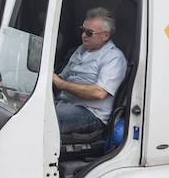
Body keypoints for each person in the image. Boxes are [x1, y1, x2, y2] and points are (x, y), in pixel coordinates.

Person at [52, 7, 127, 135]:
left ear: (105, 36)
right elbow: (62, 77)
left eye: (89, 33)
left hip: (91, 113)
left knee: (43, 119)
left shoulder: (114, 57)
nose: (83, 36)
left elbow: (99, 93)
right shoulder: (81, 50)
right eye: (83, 30)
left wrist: (61, 84)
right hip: (65, 103)